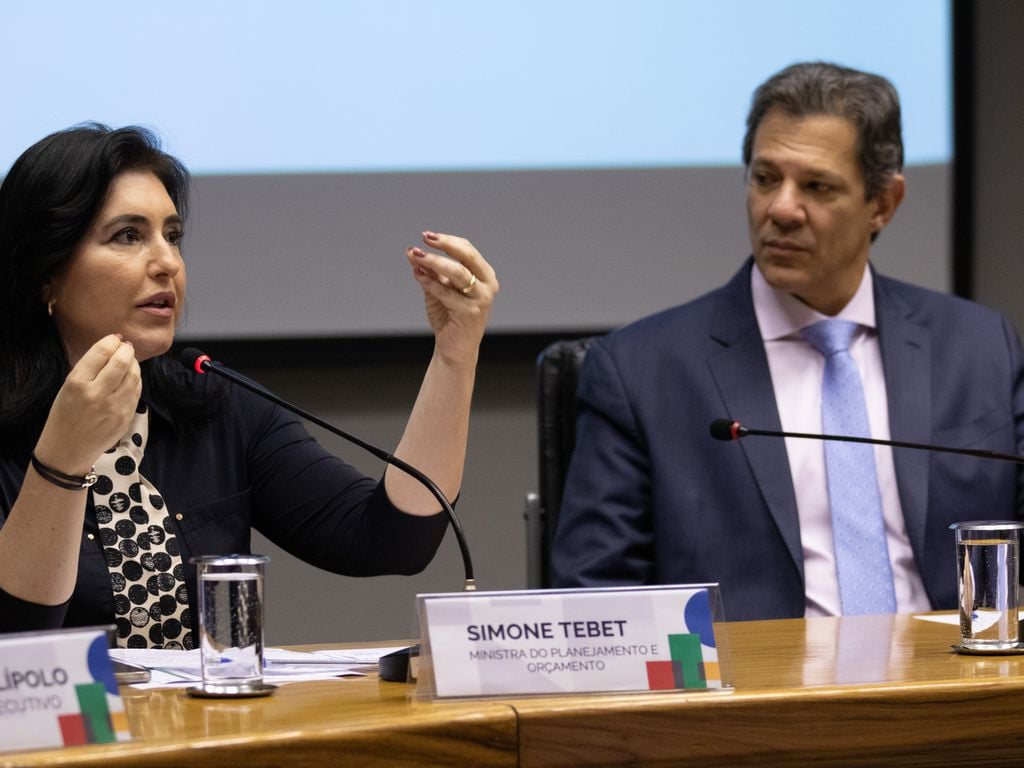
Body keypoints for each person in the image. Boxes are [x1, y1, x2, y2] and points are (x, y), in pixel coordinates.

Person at [551, 61, 1024, 621]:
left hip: (956, 690)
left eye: (817, 186)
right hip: (753, 699)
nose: (780, 209)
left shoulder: (978, 347)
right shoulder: (642, 372)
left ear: (883, 204)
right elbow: (593, 605)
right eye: (765, 177)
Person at [0, 123, 498, 648]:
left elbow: (392, 542)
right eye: (128, 236)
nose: (167, 262)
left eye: (172, 235)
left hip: (205, 727)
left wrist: (455, 352)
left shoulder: (214, 404)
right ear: (45, 276)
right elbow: (14, 638)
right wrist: (62, 458)